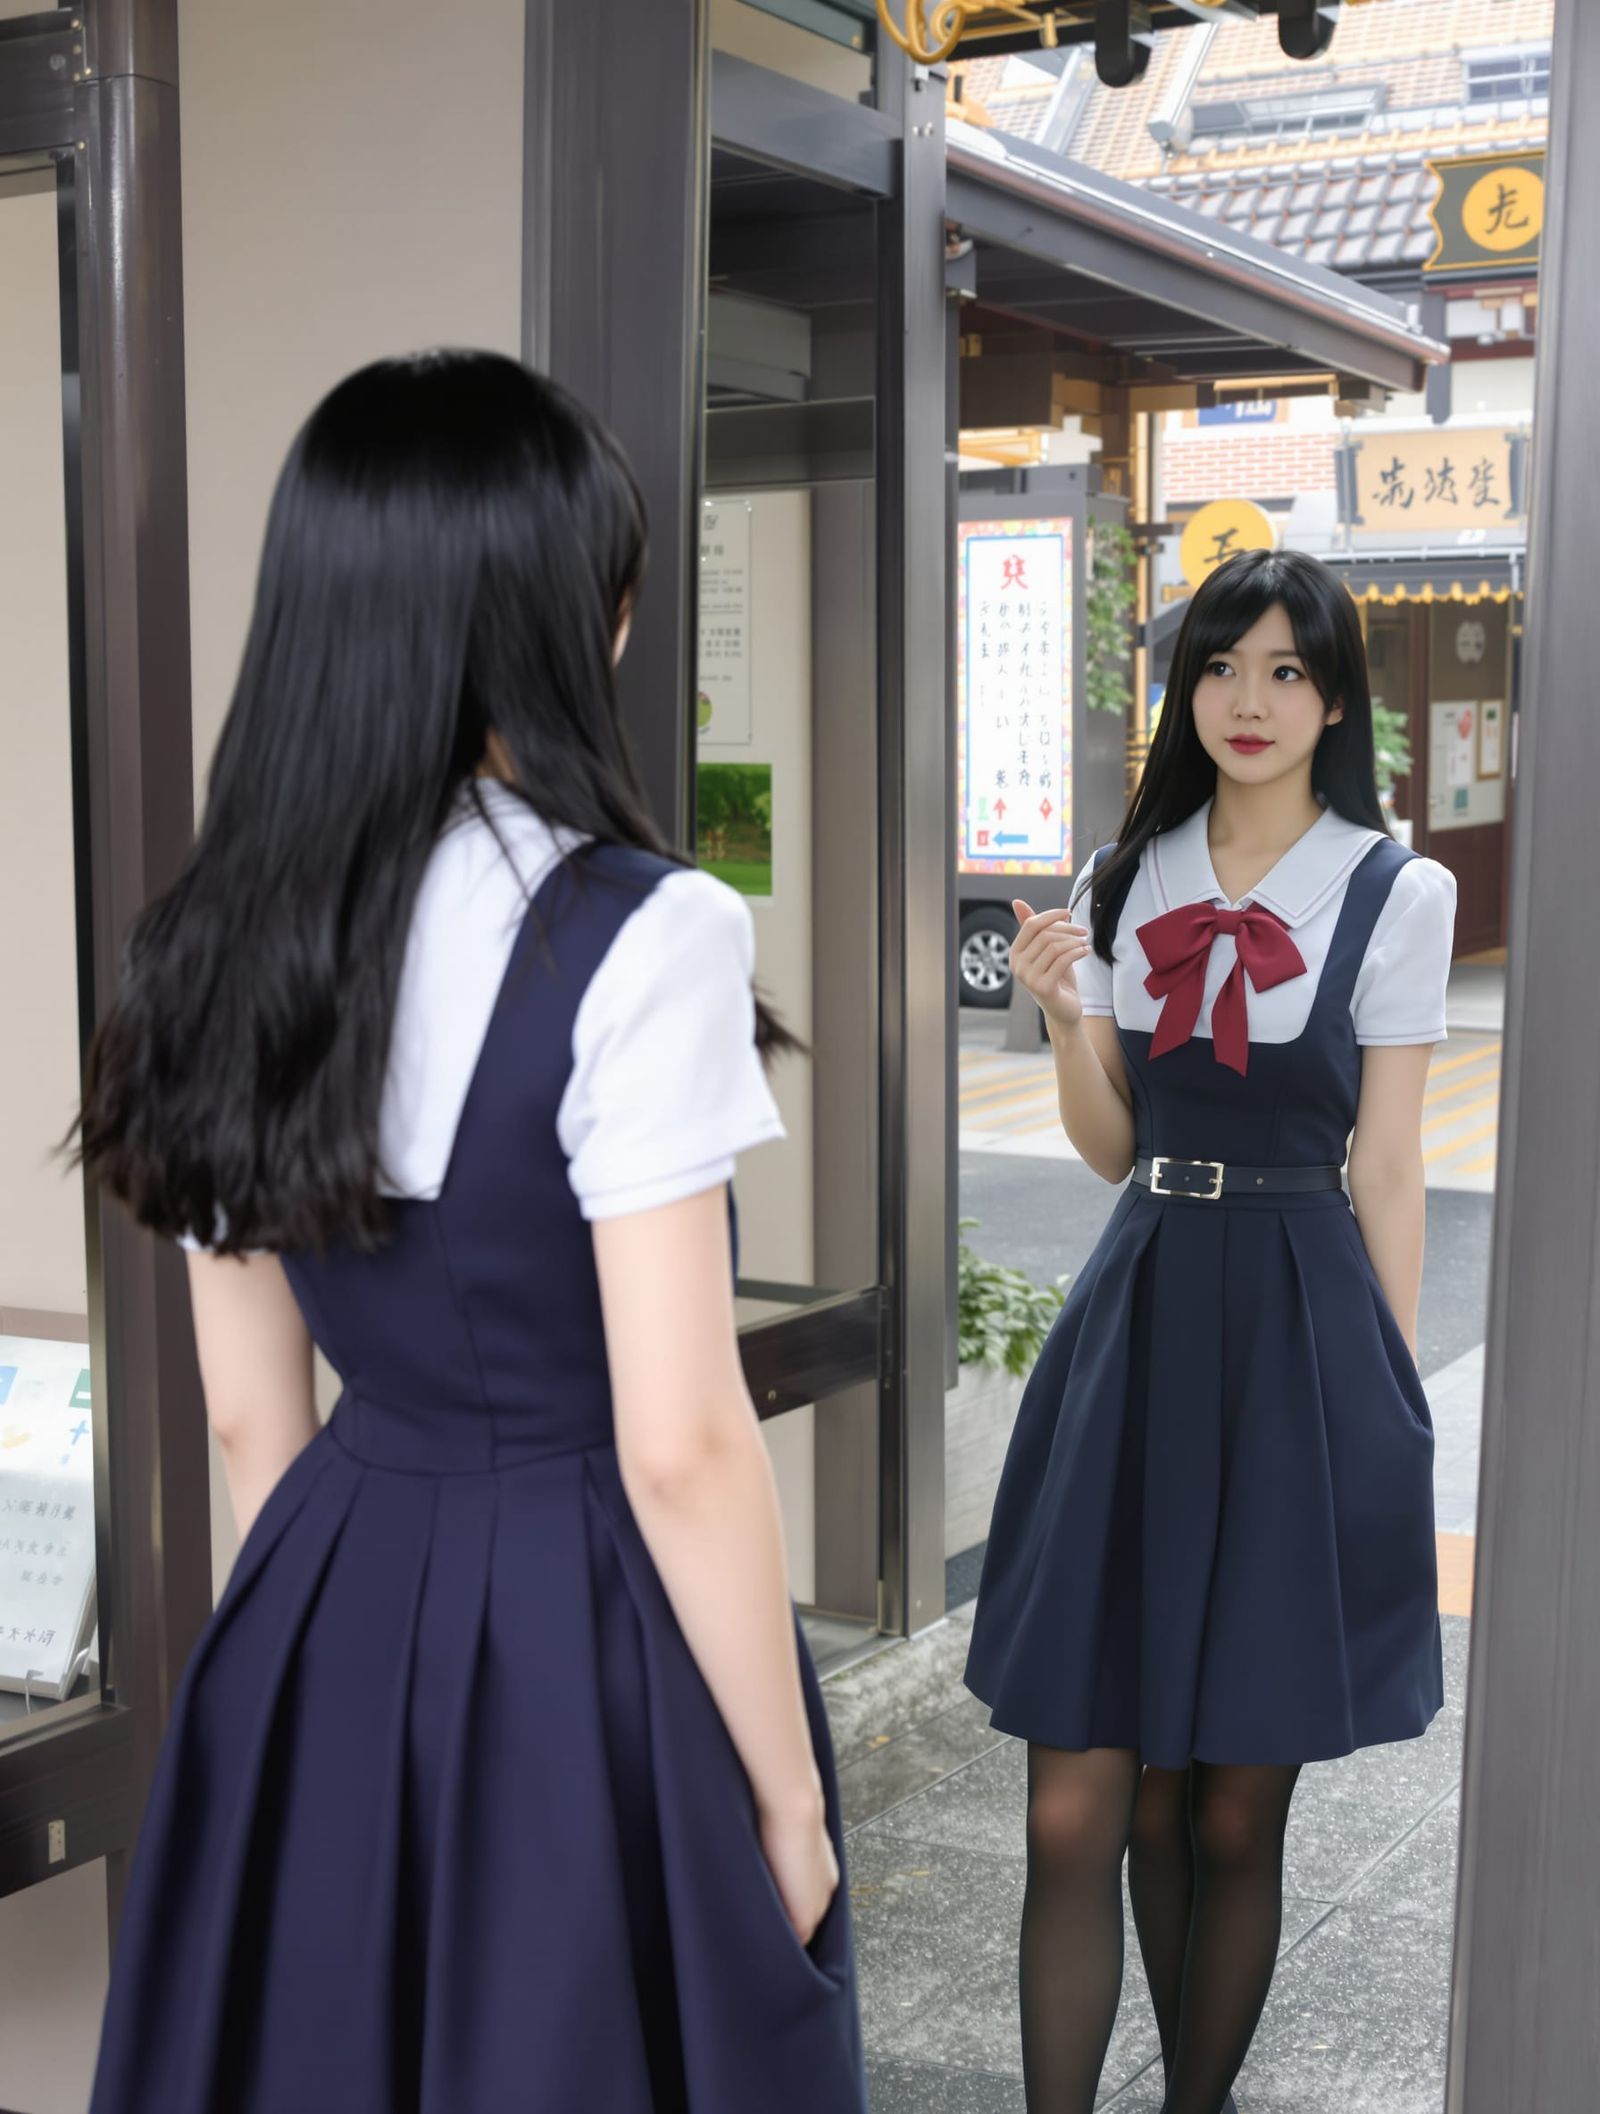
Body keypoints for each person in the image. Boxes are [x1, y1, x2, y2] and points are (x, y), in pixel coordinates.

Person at [67, 350, 867, 2112]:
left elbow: (250, 1413)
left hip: (319, 1593)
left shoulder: (205, 938)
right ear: (567, 616)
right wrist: (792, 1805)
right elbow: (677, 1444)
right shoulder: (642, 932)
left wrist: (350, 1654)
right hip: (582, 1618)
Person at [964, 547, 1455, 2114]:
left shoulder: (1395, 889)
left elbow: (1386, 1162)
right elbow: (1115, 1147)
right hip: (1144, 1313)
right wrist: (1065, 1013)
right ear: (1185, 691)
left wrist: (1385, 1402)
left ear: (1332, 699)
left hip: (1299, 1337)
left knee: (1228, 1813)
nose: (1250, 701)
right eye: (1222, 668)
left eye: (1287, 671)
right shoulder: (1129, 876)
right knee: (1082, 1808)